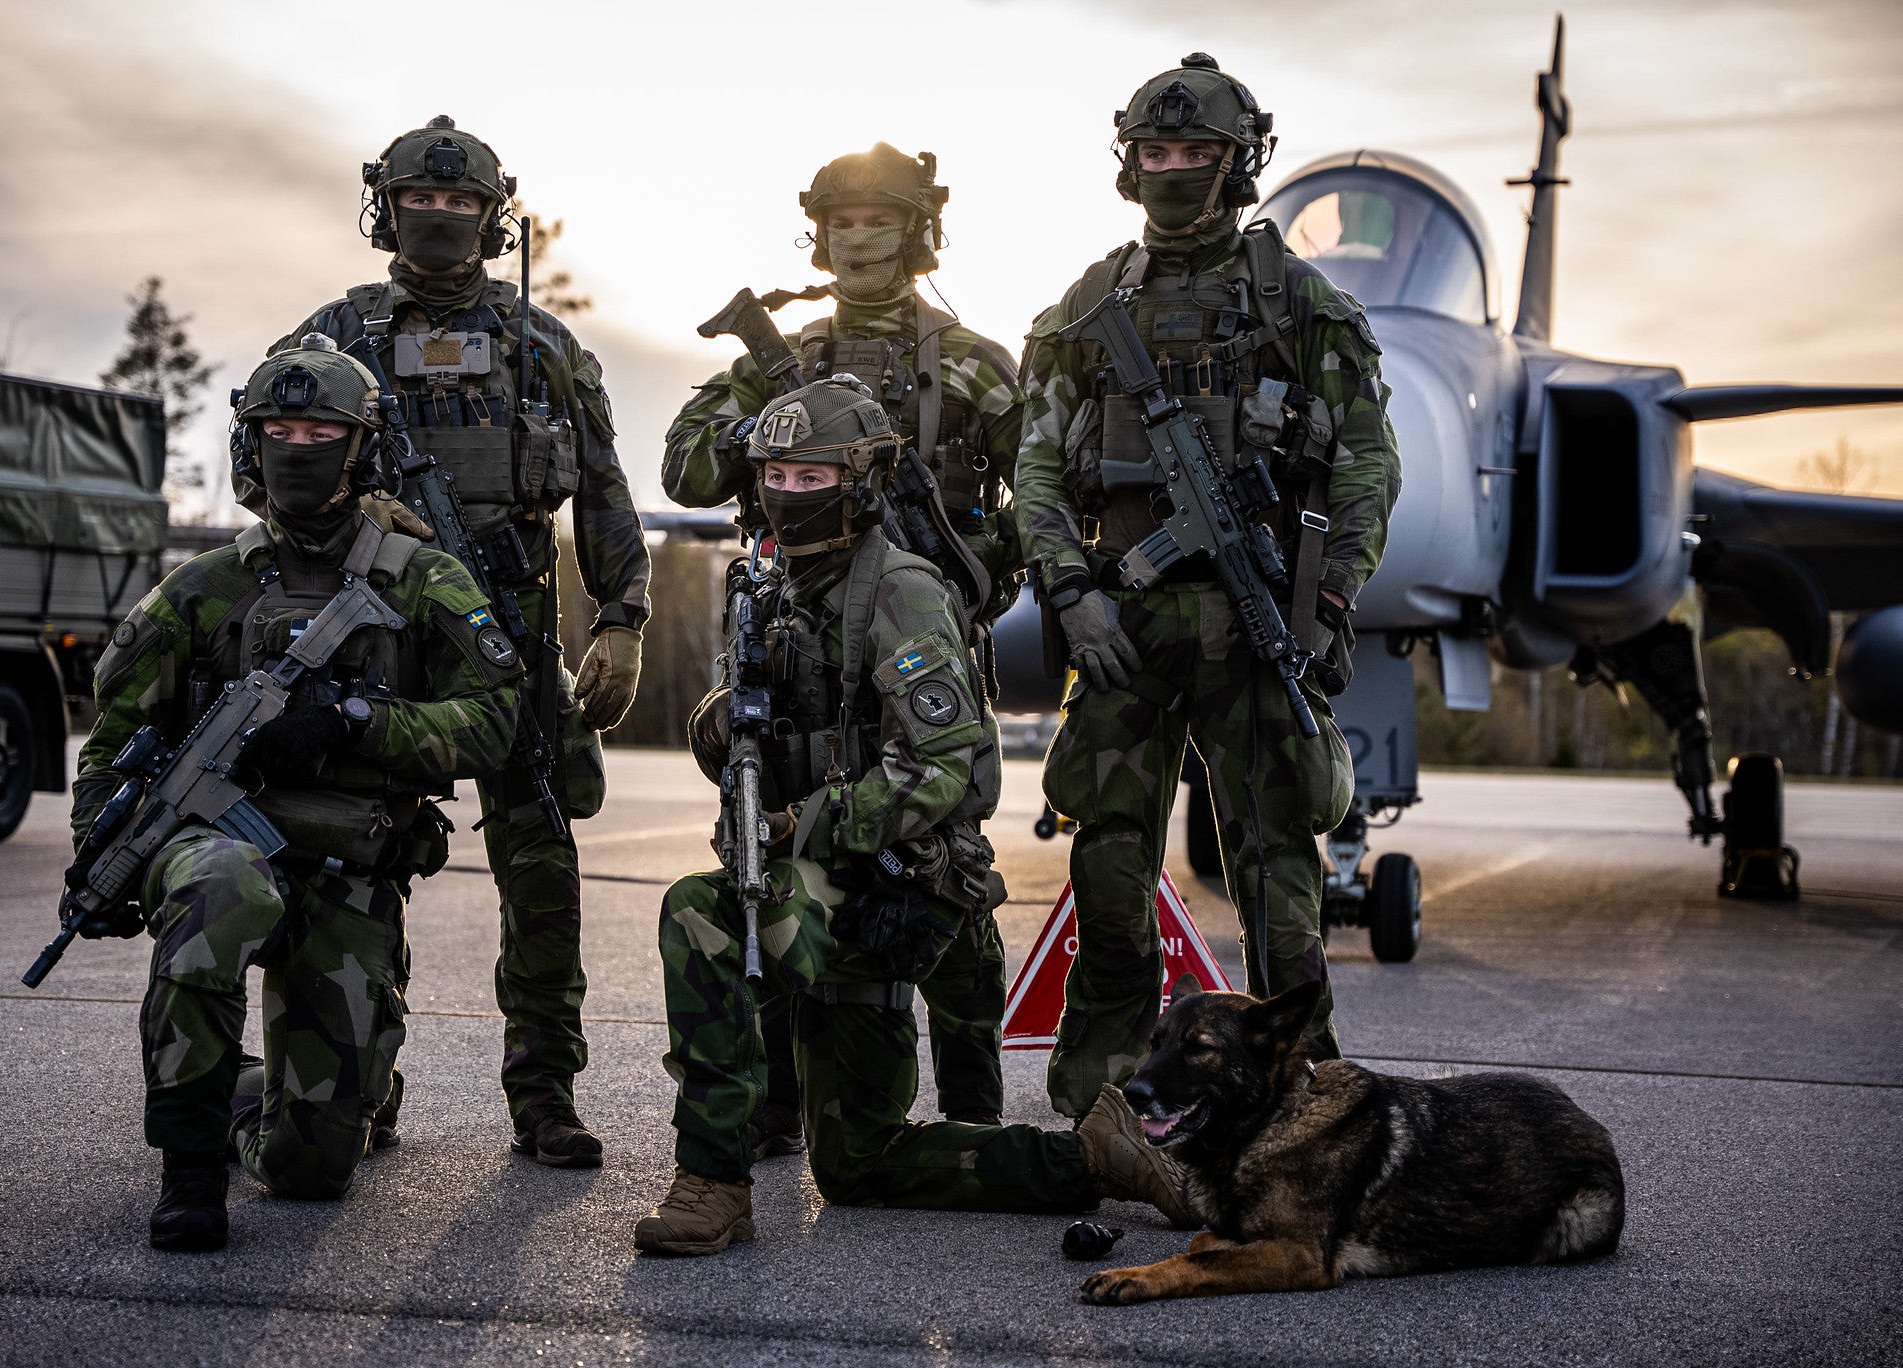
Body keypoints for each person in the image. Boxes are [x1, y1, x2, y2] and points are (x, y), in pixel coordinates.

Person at [634, 377, 1194, 1256]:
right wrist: (728, 727)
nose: (787, 493)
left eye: (812, 478)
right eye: (774, 475)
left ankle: (713, 1183)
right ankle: (1094, 1158)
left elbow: (942, 768)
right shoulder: (779, 588)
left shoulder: (900, 593)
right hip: (835, 879)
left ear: (859, 483)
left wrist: (803, 824)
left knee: (701, 916)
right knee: (857, 1167)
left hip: (905, 884)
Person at [71, 341, 523, 1251]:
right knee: (214, 887)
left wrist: (360, 722)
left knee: (313, 1170)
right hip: (222, 847)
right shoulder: (206, 588)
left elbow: (497, 721)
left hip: (349, 864)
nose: (297, 445)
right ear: (250, 444)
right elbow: (117, 737)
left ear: (361, 448)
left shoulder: (418, 577)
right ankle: (190, 1167)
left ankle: (254, 1088)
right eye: (277, 428)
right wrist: (102, 852)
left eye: (320, 429)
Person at [1014, 55, 1400, 1116]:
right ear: (1126, 165)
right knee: (1108, 859)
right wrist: (1070, 591)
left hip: (1253, 619)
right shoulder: (1086, 307)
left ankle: (1298, 1086)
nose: (1173, 168)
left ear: (1240, 166)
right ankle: (1103, 1093)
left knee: (1278, 866)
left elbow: (1366, 462)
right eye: (1155, 151)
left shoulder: (1298, 303)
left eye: (1196, 153)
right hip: (1121, 627)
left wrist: (1325, 602)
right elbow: (1037, 467)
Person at [268, 117, 652, 1166]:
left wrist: (621, 619)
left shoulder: (544, 347)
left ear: (494, 216)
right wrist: (355, 521)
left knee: (540, 865)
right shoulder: (332, 339)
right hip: (378, 642)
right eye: (419, 199)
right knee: (361, 853)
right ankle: (359, 1081)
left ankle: (544, 1093)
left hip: (515, 637)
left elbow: (606, 493)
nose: (439, 216)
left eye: (461, 203)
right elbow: (268, 470)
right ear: (384, 208)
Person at [663, 143, 1022, 1151]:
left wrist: (974, 576)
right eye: (841, 219)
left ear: (917, 232)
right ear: (815, 232)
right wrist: (781, 437)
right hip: (796, 623)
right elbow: (687, 471)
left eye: (879, 219)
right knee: (766, 825)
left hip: (922, 627)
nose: (857, 237)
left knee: (943, 850)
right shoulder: (779, 359)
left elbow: (1040, 496)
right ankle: (776, 1092)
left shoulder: (969, 363)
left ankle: (970, 1091)